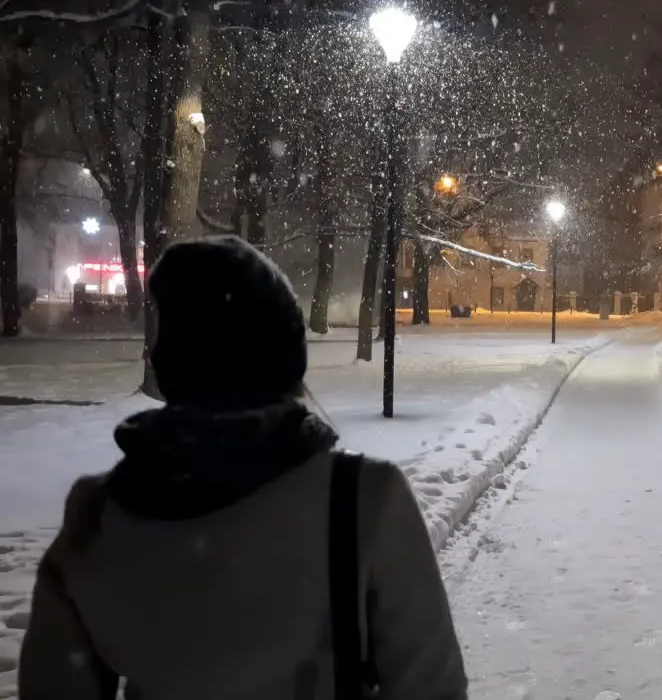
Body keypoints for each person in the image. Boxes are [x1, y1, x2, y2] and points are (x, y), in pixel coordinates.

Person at [20, 235, 467, 700]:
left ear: (164, 363)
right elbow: (433, 688)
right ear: (289, 362)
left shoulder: (96, 520)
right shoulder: (364, 503)